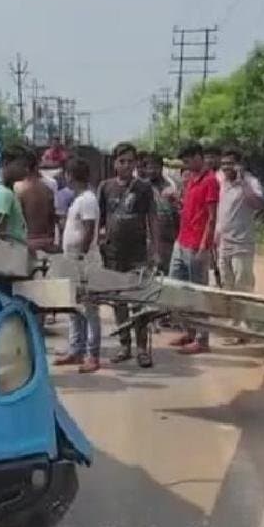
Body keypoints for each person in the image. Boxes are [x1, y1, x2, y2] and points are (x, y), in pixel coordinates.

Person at [98, 142, 159, 367]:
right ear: (114, 163)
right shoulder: (105, 187)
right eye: (121, 161)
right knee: (118, 300)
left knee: (139, 300)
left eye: (130, 161)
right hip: (113, 252)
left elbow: (152, 218)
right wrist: (98, 243)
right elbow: (100, 219)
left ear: (135, 164)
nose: (126, 165)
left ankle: (142, 348)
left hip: (137, 252)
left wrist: (155, 249)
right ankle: (125, 345)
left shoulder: (143, 188)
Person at [168, 142, 219, 355]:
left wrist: (203, 245)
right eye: (185, 163)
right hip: (181, 241)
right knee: (176, 287)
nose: (186, 166)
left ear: (199, 157)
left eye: (189, 161)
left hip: (197, 244)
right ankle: (189, 330)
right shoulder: (191, 180)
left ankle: (202, 338)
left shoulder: (210, 181)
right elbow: (189, 209)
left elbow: (211, 217)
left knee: (199, 293)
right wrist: (176, 202)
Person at [53, 157, 102, 373]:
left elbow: (89, 229)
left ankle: (92, 354)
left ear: (70, 176)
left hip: (84, 262)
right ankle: (76, 350)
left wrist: (81, 257)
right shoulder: (78, 199)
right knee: (74, 308)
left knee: (90, 309)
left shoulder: (88, 199)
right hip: (73, 260)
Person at [215, 147, 264, 345]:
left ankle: (245, 328)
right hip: (223, 243)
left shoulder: (251, 182)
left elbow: (257, 204)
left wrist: (242, 180)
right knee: (227, 285)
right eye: (224, 163)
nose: (226, 167)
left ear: (239, 164)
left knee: (242, 285)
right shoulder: (220, 180)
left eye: (230, 164)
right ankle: (232, 324)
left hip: (242, 243)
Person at [139, 151, 179, 273]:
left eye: (155, 167)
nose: (151, 171)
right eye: (148, 167)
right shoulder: (141, 187)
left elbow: (176, 213)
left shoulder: (170, 186)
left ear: (161, 167)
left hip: (168, 241)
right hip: (147, 241)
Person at [16, 153, 58, 252]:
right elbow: (52, 217)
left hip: (28, 240)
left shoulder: (20, 189)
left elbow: (19, 220)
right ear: (36, 167)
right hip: (47, 240)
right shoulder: (48, 190)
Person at [0, 144, 30, 244]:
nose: (26, 170)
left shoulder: (9, 191)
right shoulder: (4, 193)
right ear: (6, 163)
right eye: (22, 165)